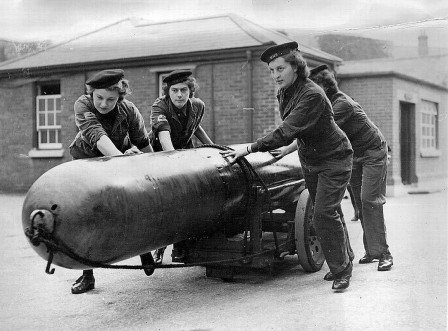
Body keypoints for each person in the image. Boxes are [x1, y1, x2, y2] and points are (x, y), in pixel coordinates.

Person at [221, 42, 354, 290]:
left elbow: (287, 129)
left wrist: (249, 148)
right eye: (271, 70)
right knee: (328, 212)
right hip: (310, 159)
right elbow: (299, 128)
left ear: (296, 66)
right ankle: (345, 259)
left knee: (324, 213)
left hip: (335, 158)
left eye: (280, 68)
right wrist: (289, 148)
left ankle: (342, 270)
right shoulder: (285, 91)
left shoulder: (312, 94)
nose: (275, 75)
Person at [68, 69, 155, 294]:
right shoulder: (83, 105)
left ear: (120, 97)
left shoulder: (129, 110)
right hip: (88, 162)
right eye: (99, 98)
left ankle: (143, 247)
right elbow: (98, 136)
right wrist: (122, 158)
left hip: (119, 159)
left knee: (133, 205)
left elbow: (143, 142)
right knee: (88, 217)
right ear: (91, 93)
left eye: (111, 100)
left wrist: (155, 167)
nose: (104, 104)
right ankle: (87, 275)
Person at [309, 65, 393, 273]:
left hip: (373, 151)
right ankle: (371, 252)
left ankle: (383, 254)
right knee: (358, 203)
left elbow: (317, 131)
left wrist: (286, 148)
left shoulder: (342, 105)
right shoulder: (327, 105)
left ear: (325, 87)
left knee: (369, 200)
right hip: (354, 155)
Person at [149, 69, 214, 264]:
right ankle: (159, 248)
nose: (179, 95)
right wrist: (174, 161)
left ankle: (182, 247)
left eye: (184, 90)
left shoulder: (198, 106)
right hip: (162, 156)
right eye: (175, 90)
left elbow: (196, 127)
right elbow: (164, 135)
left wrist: (212, 147)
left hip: (185, 153)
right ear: (167, 92)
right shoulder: (159, 107)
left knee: (190, 200)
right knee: (166, 203)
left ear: (190, 91)